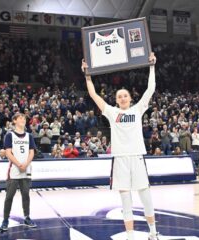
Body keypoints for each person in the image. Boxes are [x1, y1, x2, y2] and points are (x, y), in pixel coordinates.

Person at [82, 52, 159, 240]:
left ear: (130, 98)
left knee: (146, 197)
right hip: (120, 159)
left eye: (125, 95)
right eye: (119, 96)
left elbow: (150, 89)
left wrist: (151, 66)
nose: (123, 98)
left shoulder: (137, 109)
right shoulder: (111, 111)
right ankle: (130, 235)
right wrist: (87, 75)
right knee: (126, 200)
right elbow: (92, 94)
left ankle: (153, 232)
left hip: (137, 157)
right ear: (116, 100)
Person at [1, 113, 37, 231]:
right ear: (14, 121)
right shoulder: (10, 135)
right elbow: (8, 153)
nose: (23, 120)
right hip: (14, 170)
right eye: (20, 118)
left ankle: (27, 217)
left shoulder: (29, 136)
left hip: (26, 169)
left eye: (24, 118)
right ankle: (5, 219)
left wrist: (25, 164)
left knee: (26, 195)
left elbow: (32, 152)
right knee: (9, 196)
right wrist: (18, 164)